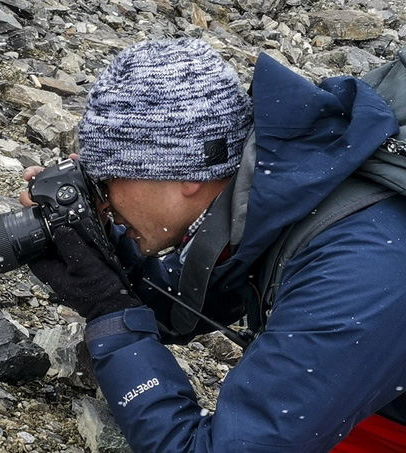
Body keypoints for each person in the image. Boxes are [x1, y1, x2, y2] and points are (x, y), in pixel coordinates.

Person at [20, 38, 406, 452]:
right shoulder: (277, 183)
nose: (104, 203)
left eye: (105, 181)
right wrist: (101, 257)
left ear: (183, 174)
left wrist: (110, 315)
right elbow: (196, 301)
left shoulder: (359, 269)